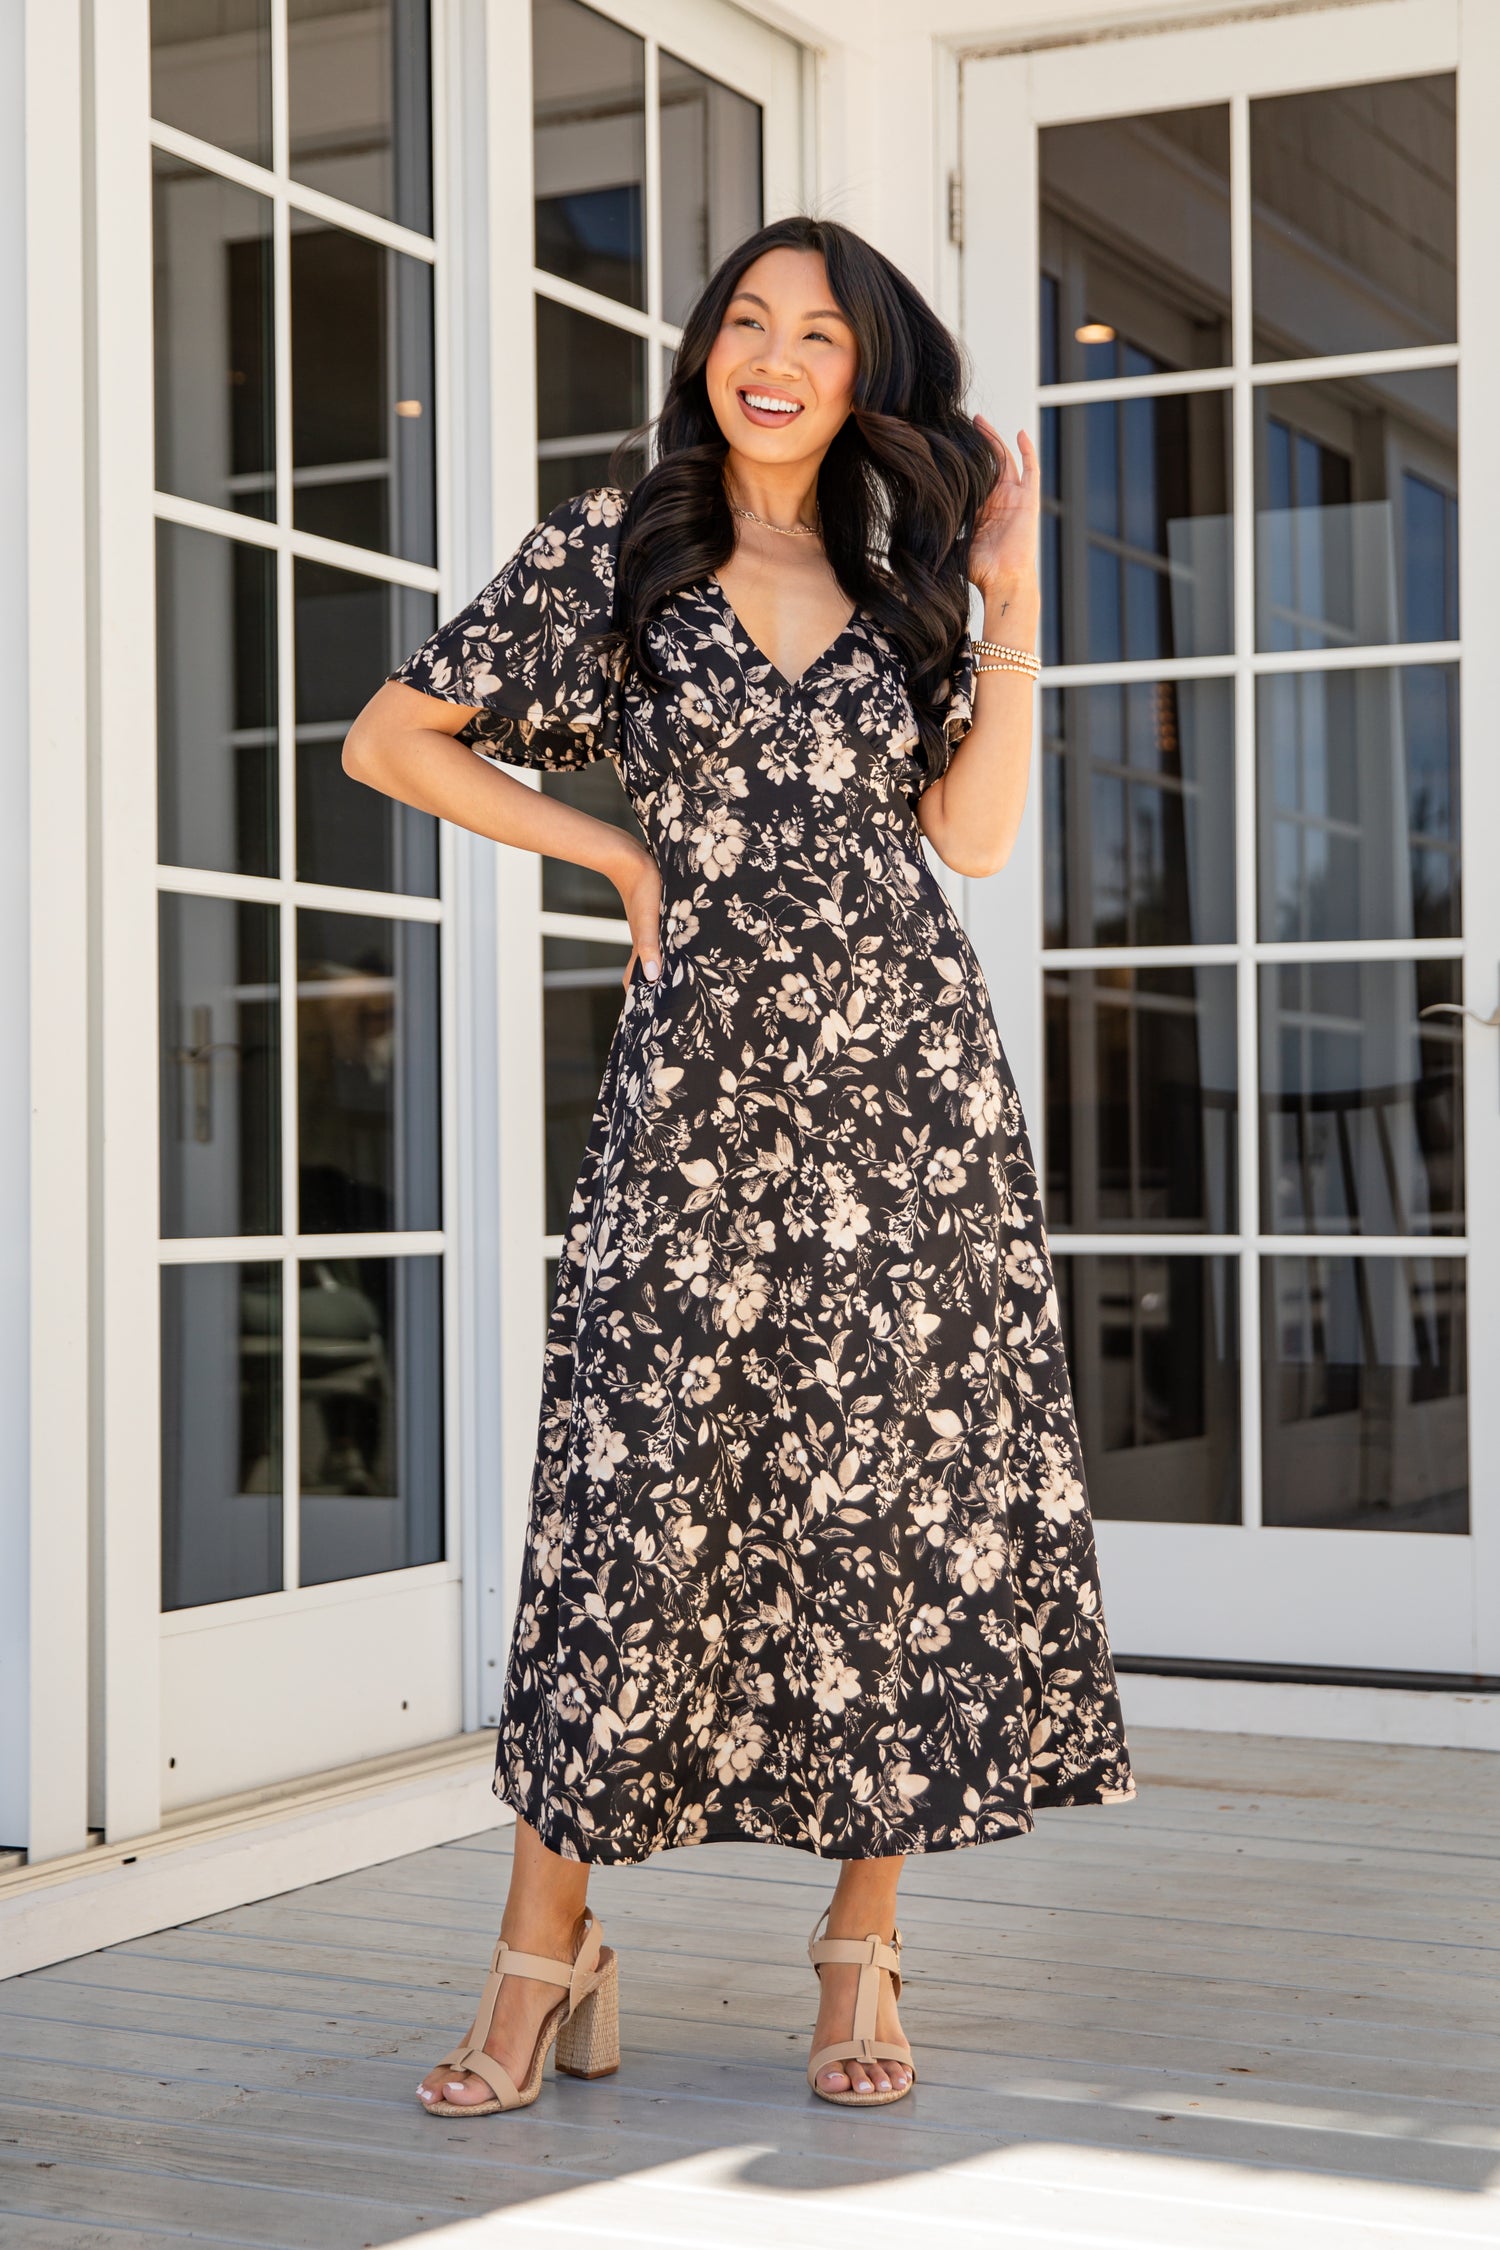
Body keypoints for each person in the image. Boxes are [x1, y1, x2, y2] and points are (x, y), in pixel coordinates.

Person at [343, 214, 1135, 2116]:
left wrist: (1008, 600)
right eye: (748, 323)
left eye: (823, 336)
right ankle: (546, 1952)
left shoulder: (910, 574)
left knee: (888, 1493)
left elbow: (977, 837)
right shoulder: (615, 558)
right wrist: (620, 857)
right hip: (697, 1090)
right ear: (709, 349)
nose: (776, 357)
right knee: (639, 1491)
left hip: (908, 1088)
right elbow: (391, 739)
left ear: (868, 375)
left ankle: (861, 1950)